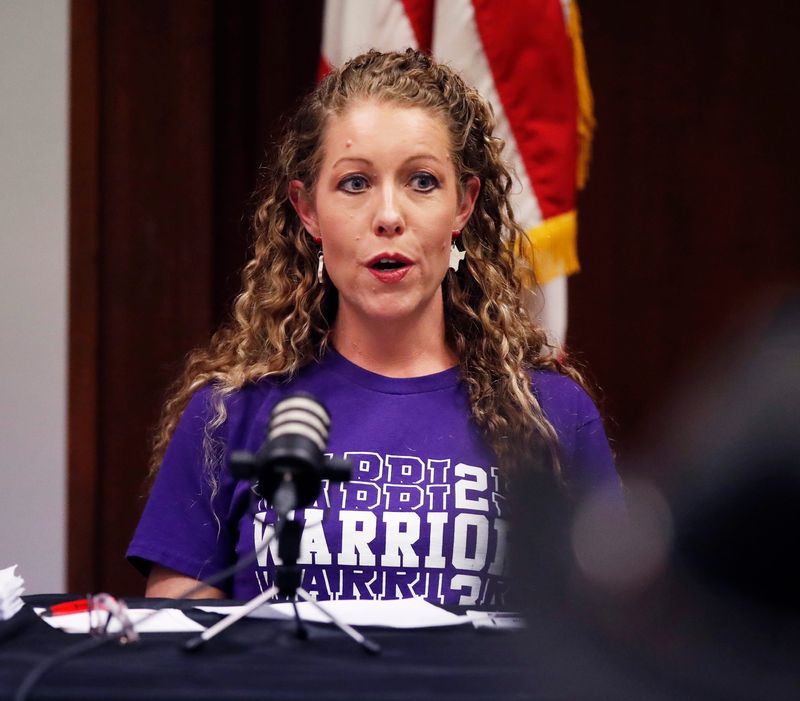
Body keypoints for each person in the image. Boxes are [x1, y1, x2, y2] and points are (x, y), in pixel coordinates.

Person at [127, 49, 619, 607]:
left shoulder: (552, 415)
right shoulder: (227, 413)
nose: (389, 215)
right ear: (308, 209)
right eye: (356, 183)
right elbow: (175, 651)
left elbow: (609, 639)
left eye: (422, 181)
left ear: (464, 203)